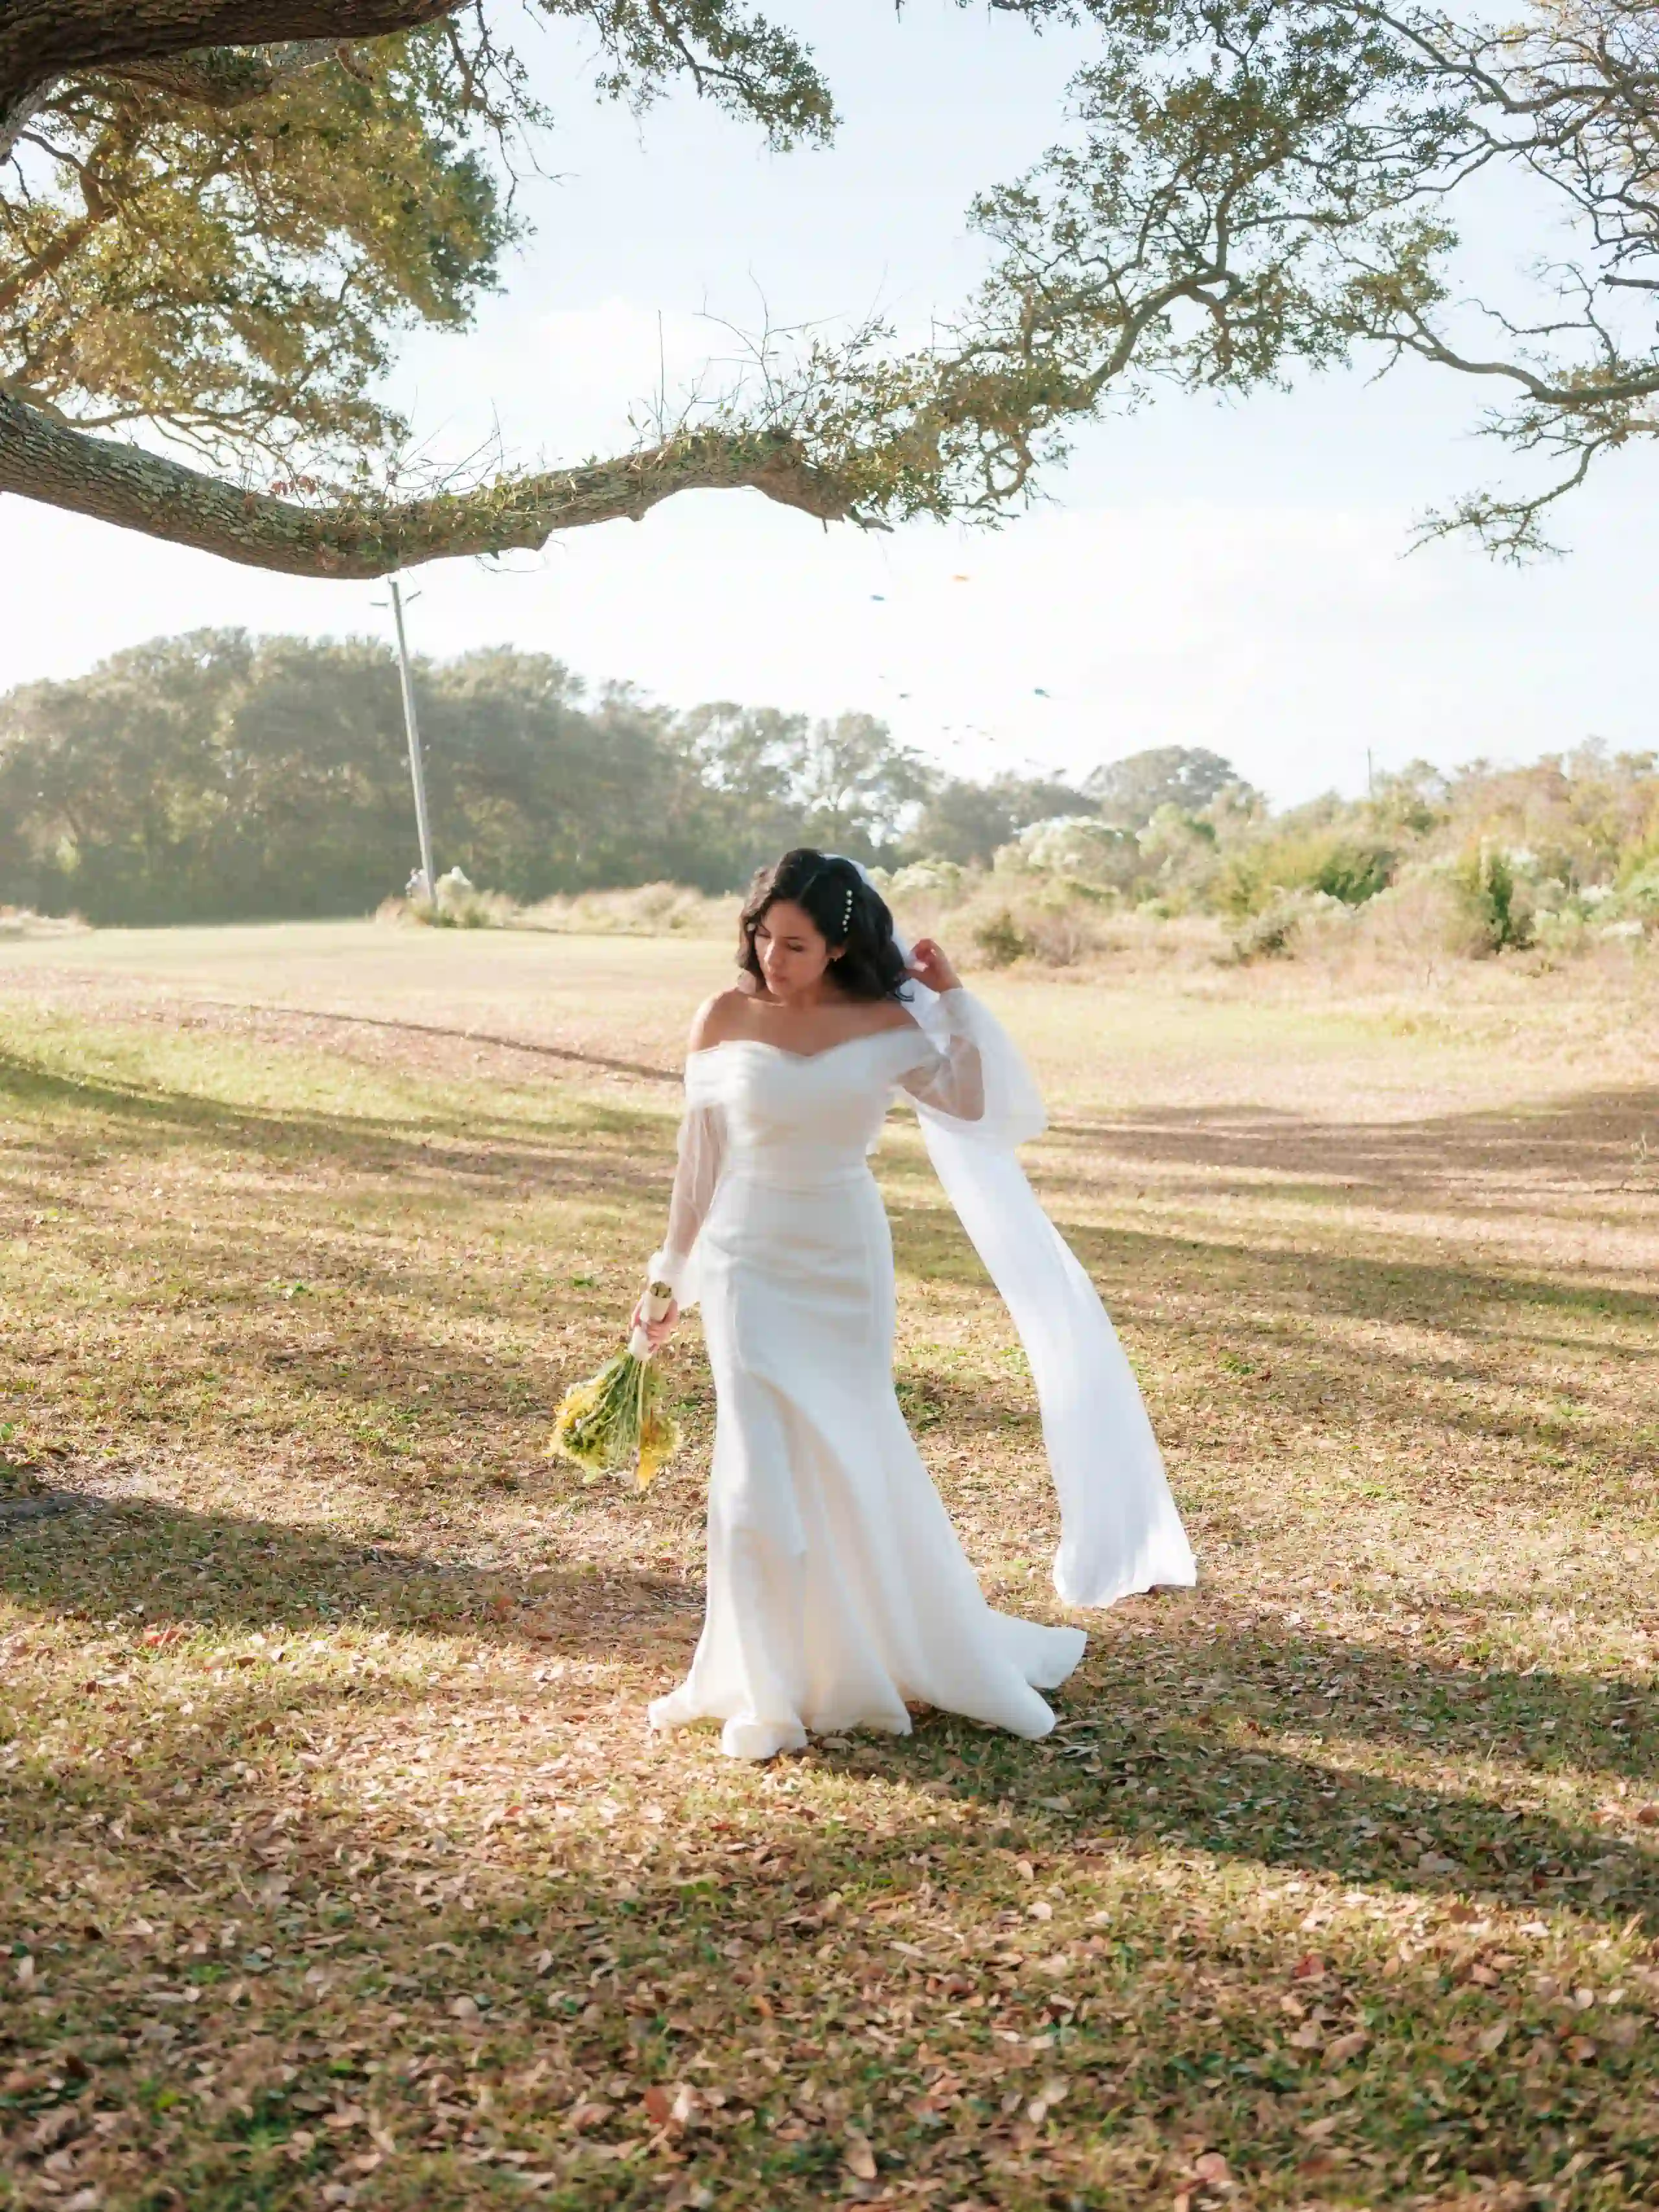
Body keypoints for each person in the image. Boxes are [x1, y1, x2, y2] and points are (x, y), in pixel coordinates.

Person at [634, 849, 1192, 1761]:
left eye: (798, 944)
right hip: (746, 1261)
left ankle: (878, 1647)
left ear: (839, 944)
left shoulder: (887, 1024)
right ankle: (766, 1686)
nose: (774, 957)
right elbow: (700, 1158)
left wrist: (955, 998)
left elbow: (974, 1104)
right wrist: (672, 1275)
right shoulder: (725, 1016)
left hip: (842, 1259)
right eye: (763, 937)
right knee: (754, 1467)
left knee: (855, 1450)